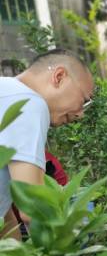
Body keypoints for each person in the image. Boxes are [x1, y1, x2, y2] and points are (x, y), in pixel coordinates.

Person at [0, 49, 94, 239]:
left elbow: (4, 211)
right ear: (59, 77)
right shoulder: (29, 102)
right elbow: (33, 206)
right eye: (84, 100)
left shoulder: (6, 92)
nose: (80, 114)